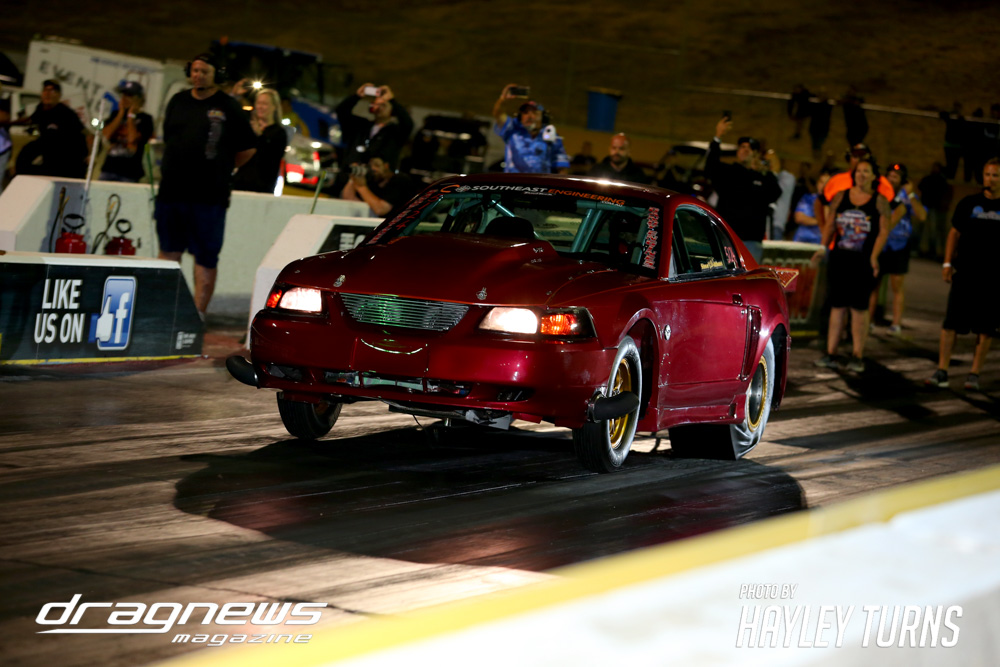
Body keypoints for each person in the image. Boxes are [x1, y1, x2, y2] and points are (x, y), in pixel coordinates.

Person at [155, 53, 256, 317]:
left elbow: (247, 149)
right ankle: (165, 312)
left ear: (216, 75)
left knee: (205, 257)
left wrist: (221, 168)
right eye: (195, 70)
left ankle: (197, 316)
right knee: (168, 252)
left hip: (209, 197)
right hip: (172, 193)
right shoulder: (178, 101)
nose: (198, 75)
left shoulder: (229, 106)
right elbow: (169, 139)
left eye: (204, 71)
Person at [926, 158, 1000, 391]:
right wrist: (947, 263)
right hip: (966, 273)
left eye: (995, 175)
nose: (990, 179)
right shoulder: (969, 203)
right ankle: (942, 371)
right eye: (987, 175)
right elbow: (954, 233)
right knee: (950, 324)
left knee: (985, 329)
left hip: (993, 279)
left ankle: (974, 374)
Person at [814, 158, 891, 373]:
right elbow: (830, 224)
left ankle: (857, 355)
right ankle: (831, 353)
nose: (861, 175)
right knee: (837, 306)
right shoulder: (842, 196)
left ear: (874, 176)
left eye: (866, 171)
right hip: (840, 259)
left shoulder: (879, 201)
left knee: (859, 309)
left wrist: (874, 257)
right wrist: (822, 248)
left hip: (863, 261)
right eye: (858, 171)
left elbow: (883, 232)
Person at [705, 116, 781, 262]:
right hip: (725, 238)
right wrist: (718, 137)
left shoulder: (764, 178)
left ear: (756, 154)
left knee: (747, 276)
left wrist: (767, 170)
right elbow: (710, 167)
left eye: (750, 148)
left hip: (751, 243)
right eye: (742, 147)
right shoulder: (729, 172)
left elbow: (775, 193)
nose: (745, 150)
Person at [869, 163, 926, 335]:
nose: (892, 179)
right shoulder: (880, 193)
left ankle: (896, 324)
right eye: (890, 175)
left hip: (899, 245)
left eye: (896, 176)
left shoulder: (907, 196)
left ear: (903, 180)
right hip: (881, 244)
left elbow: (922, 216)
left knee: (897, 285)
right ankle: (868, 320)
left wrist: (910, 194)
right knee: (873, 284)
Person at [335, 83, 413, 178]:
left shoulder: (396, 131)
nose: (379, 108)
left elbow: (407, 123)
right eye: (376, 104)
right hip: (350, 174)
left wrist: (392, 100)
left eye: (383, 105)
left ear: (392, 110)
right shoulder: (362, 125)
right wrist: (357, 96)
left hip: (376, 179)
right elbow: (341, 112)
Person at [492, 84, 569, 174]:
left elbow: (562, 168)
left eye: (534, 112)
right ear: (520, 116)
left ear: (543, 117)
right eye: (525, 112)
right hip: (513, 181)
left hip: (540, 182)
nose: (529, 116)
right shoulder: (512, 129)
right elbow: (498, 114)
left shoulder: (551, 136)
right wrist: (503, 99)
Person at [17, 79, 87, 178]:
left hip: (68, 158)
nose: (48, 94)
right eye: (45, 90)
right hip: (49, 155)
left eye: (52, 91)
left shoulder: (66, 114)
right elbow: (29, 121)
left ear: (58, 95)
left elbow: (82, 135)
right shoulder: (41, 109)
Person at [233, 88, 288, 194]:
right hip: (239, 185)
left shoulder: (279, 133)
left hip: (261, 189)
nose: (260, 107)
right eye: (258, 103)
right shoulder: (249, 127)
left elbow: (271, 157)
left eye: (265, 104)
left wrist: (260, 135)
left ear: (275, 107)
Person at [99, 81, 154, 183]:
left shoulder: (146, 119)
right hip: (108, 169)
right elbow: (106, 135)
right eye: (123, 95)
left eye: (129, 95)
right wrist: (120, 114)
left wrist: (130, 116)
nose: (124, 98)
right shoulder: (115, 114)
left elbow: (132, 139)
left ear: (139, 99)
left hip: (129, 173)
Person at [340, 151, 417, 217]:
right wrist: (353, 178)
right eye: (370, 166)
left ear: (386, 166)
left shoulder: (400, 180)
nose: (373, 169)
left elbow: (381, 209)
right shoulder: (372, 181)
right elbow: (348, 198)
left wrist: (361, 187)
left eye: (377, 165)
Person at [916, 162, 952, 259]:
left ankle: (935, 251)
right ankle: (922, 249)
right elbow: (920, 187)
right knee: (924, 229)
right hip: (926, 206)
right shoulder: (928, 179)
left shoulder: (941, 180)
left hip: (936, 208)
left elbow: (945, 193)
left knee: (935, 230)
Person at [792, 170, 832, 244]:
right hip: (801, 241)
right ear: (817, 183)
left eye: (827, 183)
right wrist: (820, 221)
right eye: (821, 182)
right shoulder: (807, 198)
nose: (823, 186)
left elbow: (829, 222)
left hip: (821, 243)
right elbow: (799, 218)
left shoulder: (834, 203)